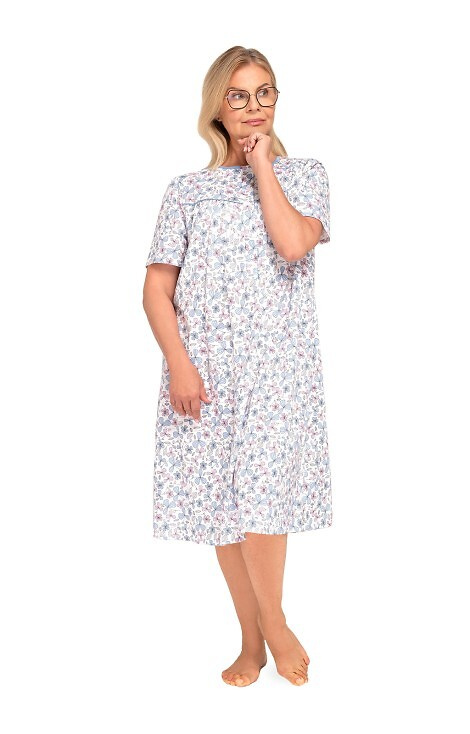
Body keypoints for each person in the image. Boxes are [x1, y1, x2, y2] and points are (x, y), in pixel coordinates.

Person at [142, 46, 332, 688]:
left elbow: (292, 243)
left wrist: (262, 166)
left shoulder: (305, 174)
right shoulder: (187, 191)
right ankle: (252, 640)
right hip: (206, 375)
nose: (254, 106)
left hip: (278, 376)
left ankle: (274, 624)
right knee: (224, 507)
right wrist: (180, 364)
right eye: (239, 95)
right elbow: (157, 288)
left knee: (264, 503)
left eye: (265, 92)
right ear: (217, 108)